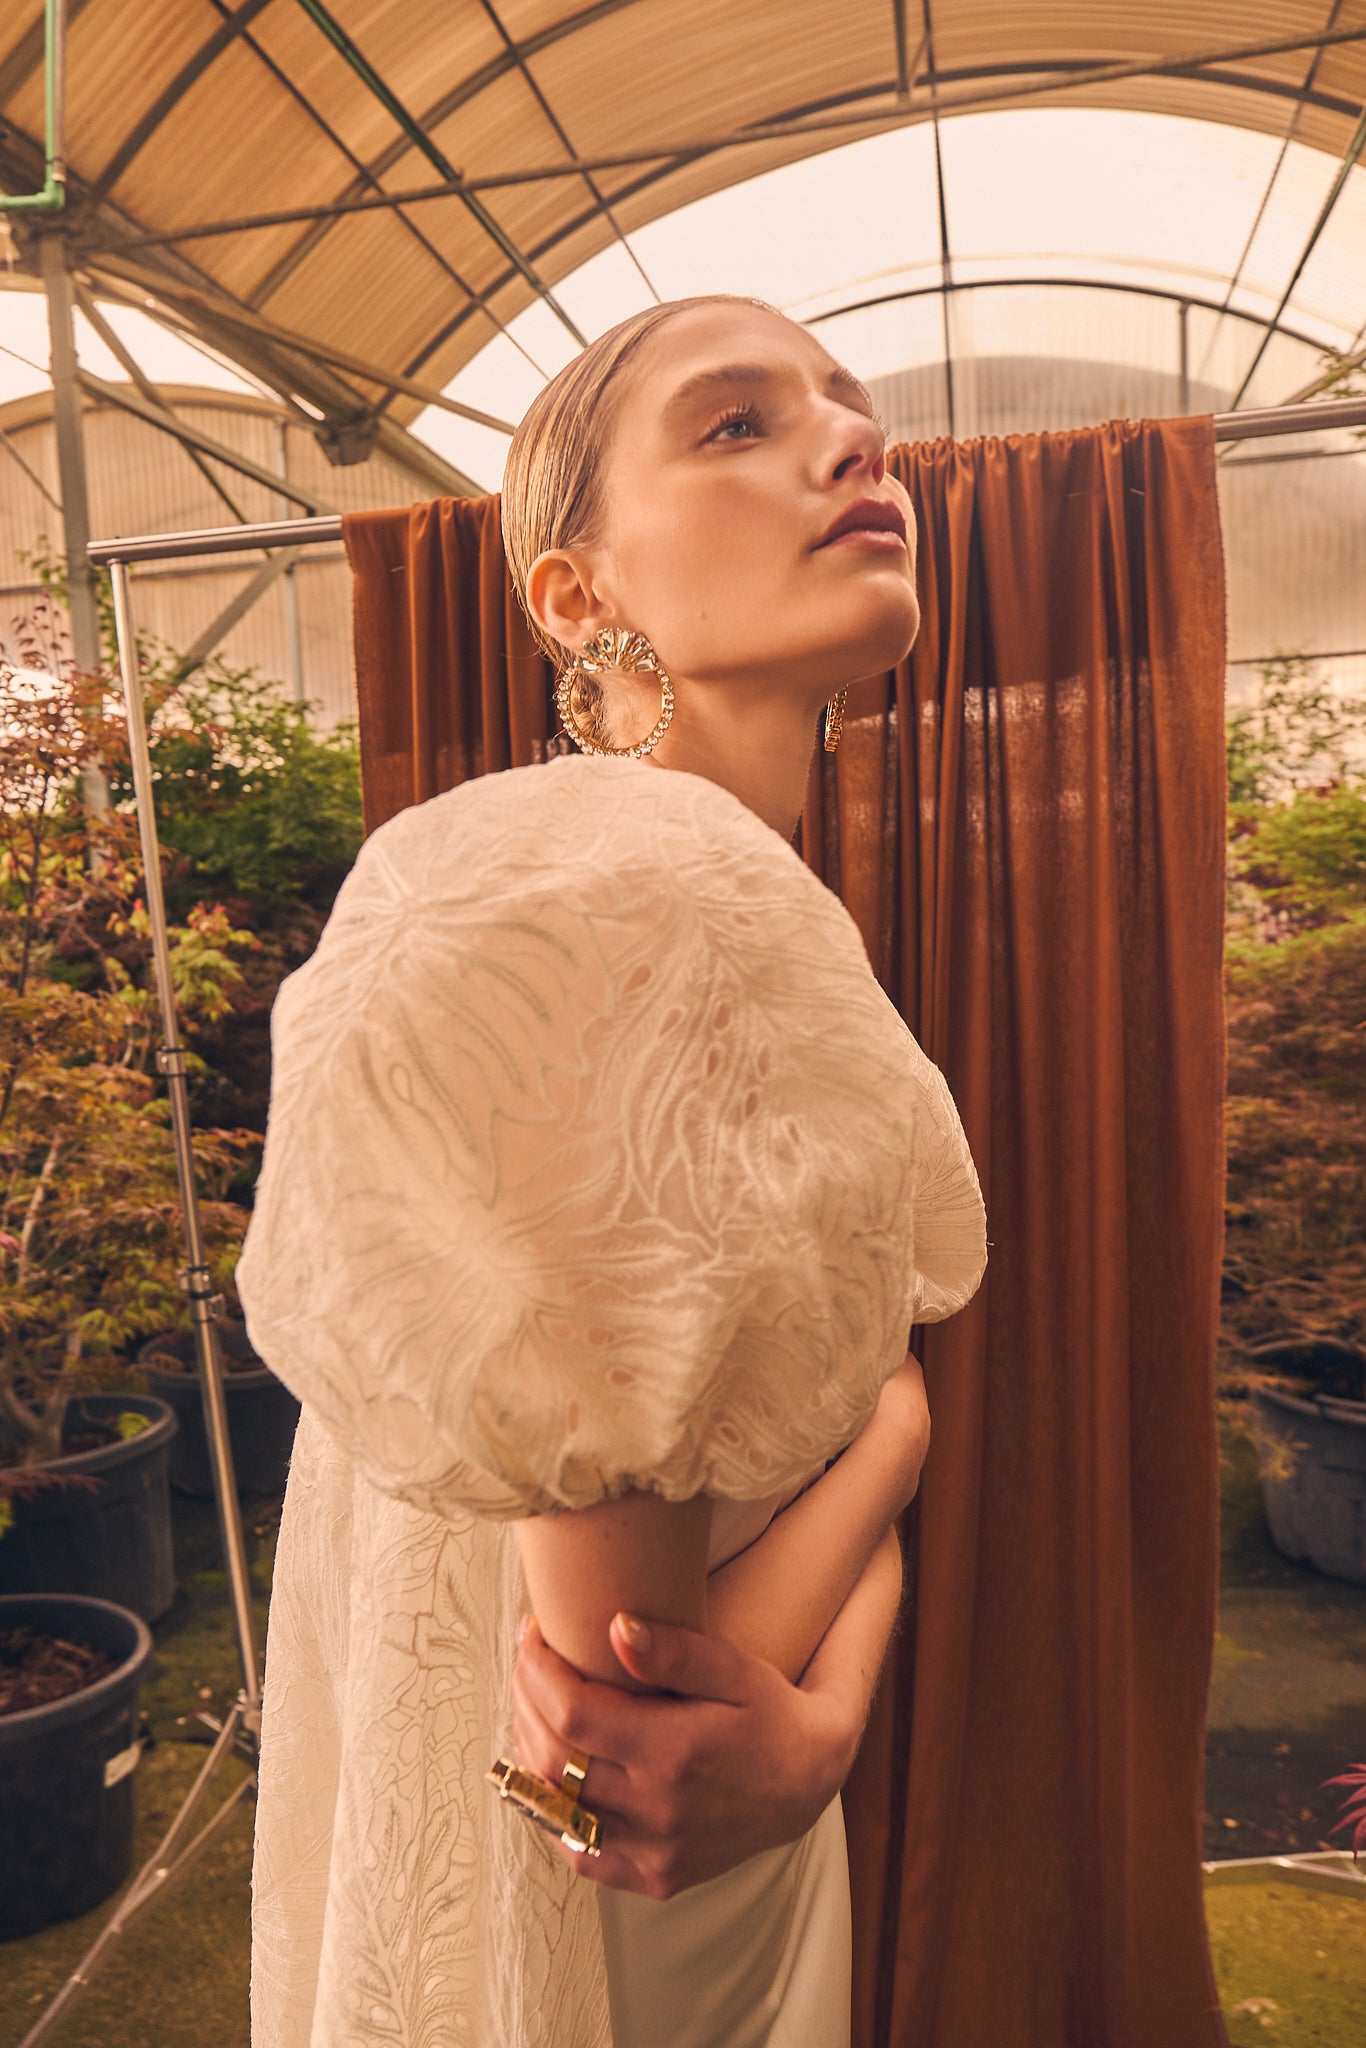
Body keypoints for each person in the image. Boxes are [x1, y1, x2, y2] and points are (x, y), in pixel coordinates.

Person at [236, 292, 988, 2048]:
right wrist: (897, 1443)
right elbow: (626, 1738)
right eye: (735, 422)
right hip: (624, 1917)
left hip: (581, 1856)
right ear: (575, 597)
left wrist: (874, 1469)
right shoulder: (619, 884)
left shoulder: (698, 887)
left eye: (848, 407)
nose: (853, 439)